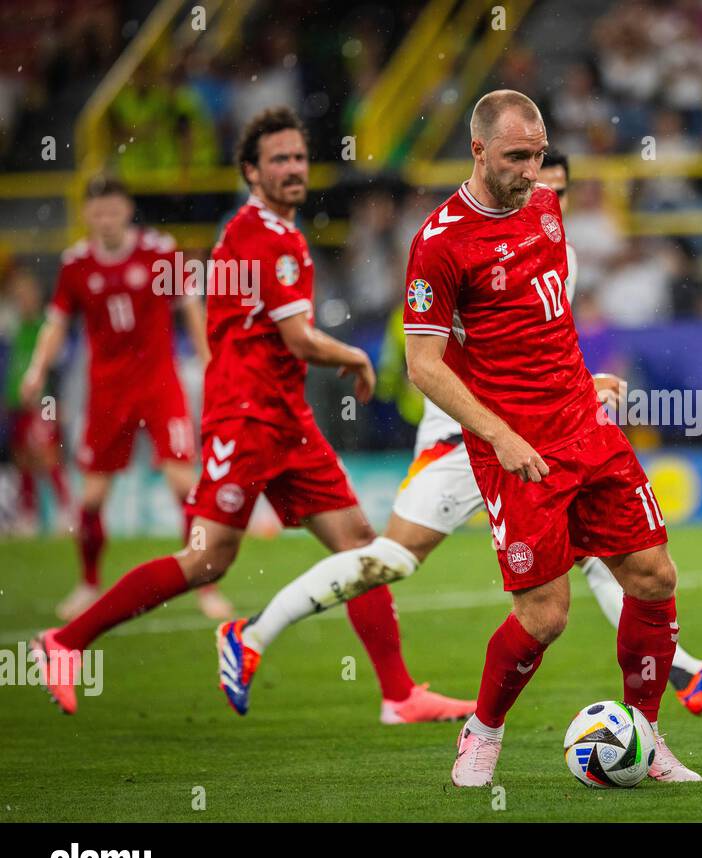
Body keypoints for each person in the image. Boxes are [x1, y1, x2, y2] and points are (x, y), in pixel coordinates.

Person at [223, 148, 702, 722]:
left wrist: (584, 385)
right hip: (467, 439)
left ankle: (682, 674)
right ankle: (255, 632)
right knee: (396, 559)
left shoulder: (555, 246)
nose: (535, 187)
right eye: (530, 173)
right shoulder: (454, 242)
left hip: (542, 439)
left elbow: (546, 349)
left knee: (605, 557)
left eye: (550, 180)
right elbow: (432, 356)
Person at [31, 108, 451, 727]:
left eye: (299, 158)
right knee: (206, 558)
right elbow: (300, 340)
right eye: (278, 160)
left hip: (287, 420)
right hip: (246, 419)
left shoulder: (278, 233)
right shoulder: (263, 236)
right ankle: (65, 642)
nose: (293, 169)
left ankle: (398, 694)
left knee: (361, 544)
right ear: (252, 172)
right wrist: (357, 355)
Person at [405, 89, 699, 787]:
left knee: (655, 575)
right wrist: (499, 433)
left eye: (538, 154)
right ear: (477, 151)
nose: (532, 170)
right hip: (518, 450)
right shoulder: (440, 242)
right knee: (546, 613)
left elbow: (544, 310)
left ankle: (646, 736)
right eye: (516, 157)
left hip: (585, 427)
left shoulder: (544, 204)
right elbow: (423, 362)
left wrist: (582, 377)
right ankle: (483, 730)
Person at [19, 176, 230, 621]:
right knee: (92, 497)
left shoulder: (158, 251)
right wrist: (38, 368)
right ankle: (88, 583)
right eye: (97, 213)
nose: (106, 220)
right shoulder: (75, 264)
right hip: (106, 393)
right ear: (86, 216)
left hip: (159, 385)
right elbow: (56, 324)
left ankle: (203, 583)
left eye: (112, 211)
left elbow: (190, 306)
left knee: (183, 486)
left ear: (127, 210)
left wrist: (210, 360)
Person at [3, 268, 71, 534]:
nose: (23, 301)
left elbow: (55, 366)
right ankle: (28, 515)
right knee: (24, 460)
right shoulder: (14, 327)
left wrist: (55, 400)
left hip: (45, 402)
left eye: (27, 295)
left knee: (48, 455)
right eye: (18, 296)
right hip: (18, 403)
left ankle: (66, 512)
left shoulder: (47, 326)